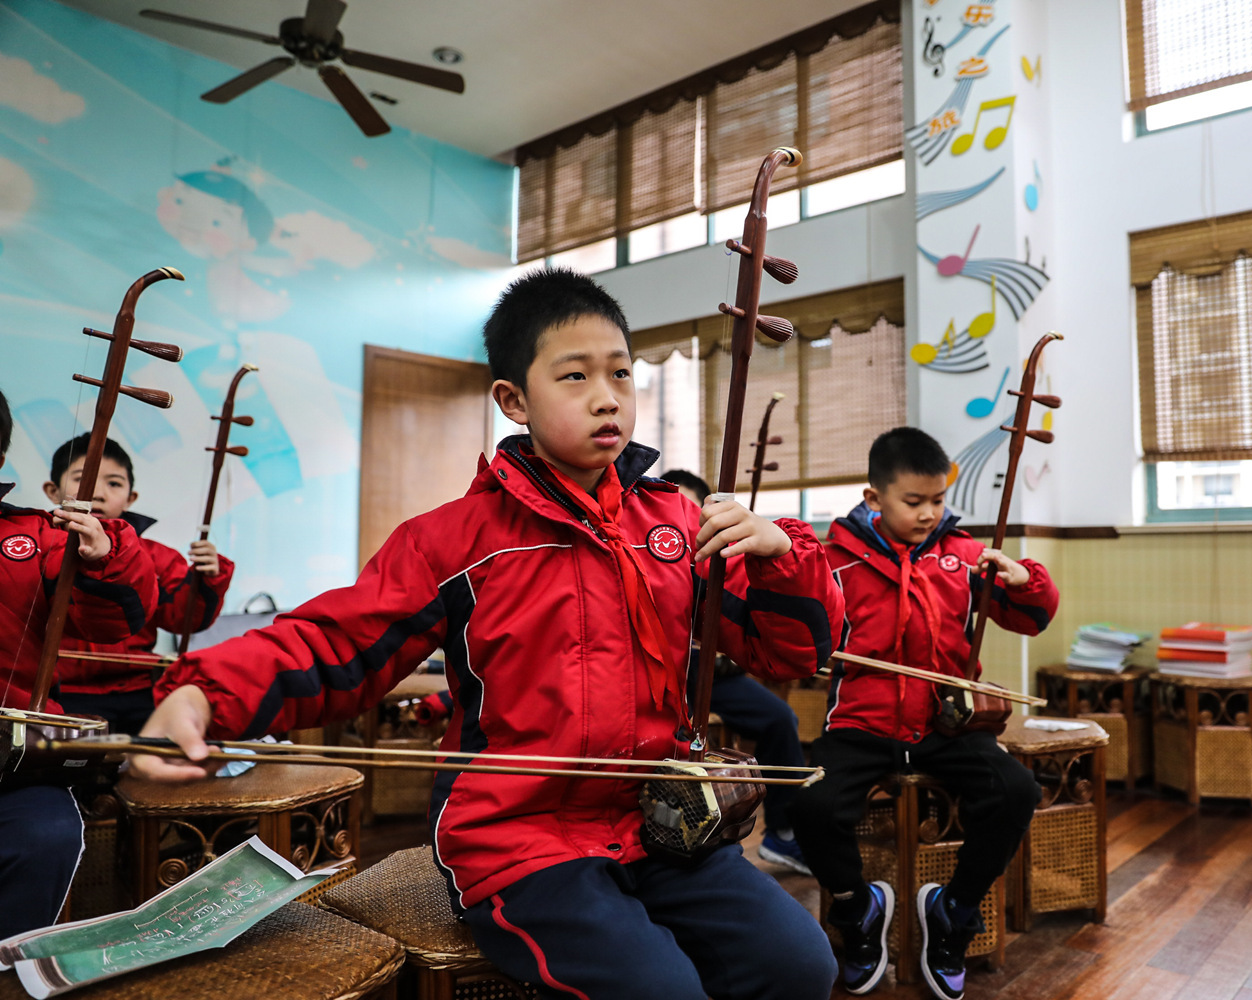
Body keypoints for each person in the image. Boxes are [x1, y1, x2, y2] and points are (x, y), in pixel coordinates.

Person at [131, 268, 844, 1000]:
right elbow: (336, 640)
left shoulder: (675, 526)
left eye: (622, 374)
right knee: (659, 989)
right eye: (574, 376)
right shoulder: (456, 539)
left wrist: (784, 559)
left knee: (800, 965)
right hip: (518, 840)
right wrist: (204, 695)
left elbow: (790, 652)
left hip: (661, 823)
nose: (608, 397)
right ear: (514, 400)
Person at [790, 427, 1059, 1000]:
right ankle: (857, 910)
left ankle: (953, 912)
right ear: (873, 497)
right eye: (913, 502)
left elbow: (1031, 618)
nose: (929, 513)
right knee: (810, 802)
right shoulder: (835, 561)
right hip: (861, 722)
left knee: (1015, 792)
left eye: (937, 500)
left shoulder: (963, 557)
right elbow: (805, 636)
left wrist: (1026, 581)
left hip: (947, 720)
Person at [0, 388, 160, 939]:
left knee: (46, 834)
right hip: (84, 708)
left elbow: (128, 621)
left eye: (116, 485)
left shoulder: (40, 536)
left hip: (19, 750)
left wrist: (106, 558)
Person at [660, 468, 812, 876]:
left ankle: (781, 830)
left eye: (694, 509)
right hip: (667, 675)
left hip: (716, 673)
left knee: (781, 718)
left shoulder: (717, 552)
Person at [43, 436, 233, 736]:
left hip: (140, 689)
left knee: (175, 750)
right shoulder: (38, 546)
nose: (98, 494)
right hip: (62, 691)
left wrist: (207, 580)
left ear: (131, 498)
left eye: (114, 484)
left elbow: (182, 619)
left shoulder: (154, 555)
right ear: (53, 491)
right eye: (82, 479)